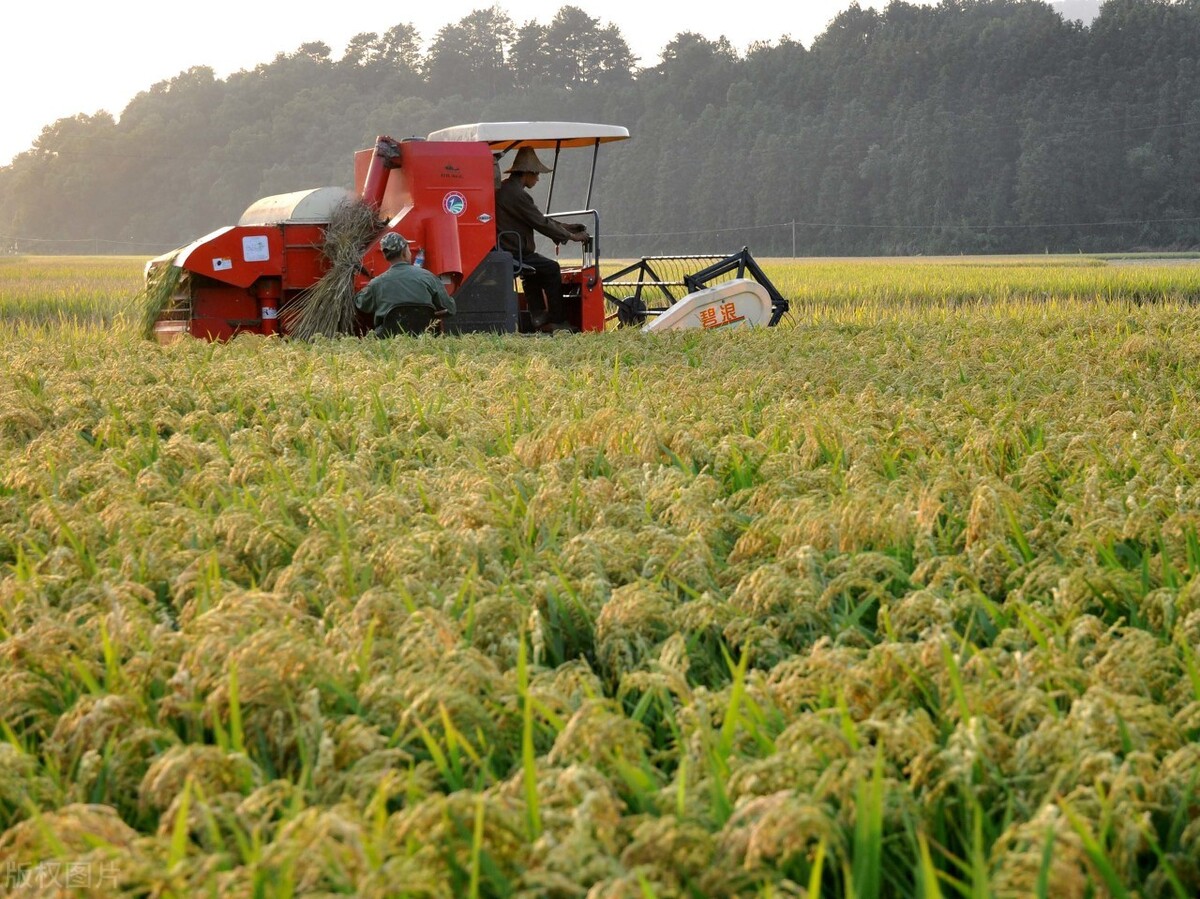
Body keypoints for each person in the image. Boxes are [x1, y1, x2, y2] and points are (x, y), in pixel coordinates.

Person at [494, 147, 589, 330]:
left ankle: (537, 315)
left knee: (533, 271)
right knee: (551, 268)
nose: (537, 179)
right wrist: (572, 236)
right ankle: (557, 320)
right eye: (536, 174)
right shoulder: (517, 195)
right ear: (527, 173)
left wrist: (565, 227)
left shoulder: (508, 189)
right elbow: (540, 222)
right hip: (513, 249)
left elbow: (537, 218)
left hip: (509, 248)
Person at [354, 232, 456, 336]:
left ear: (385, 255)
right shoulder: (428, 277)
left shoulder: (376, 283)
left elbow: (361, 304)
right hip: (425, 339)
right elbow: (450, 308)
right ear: (404, 253)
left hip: (388, 342)